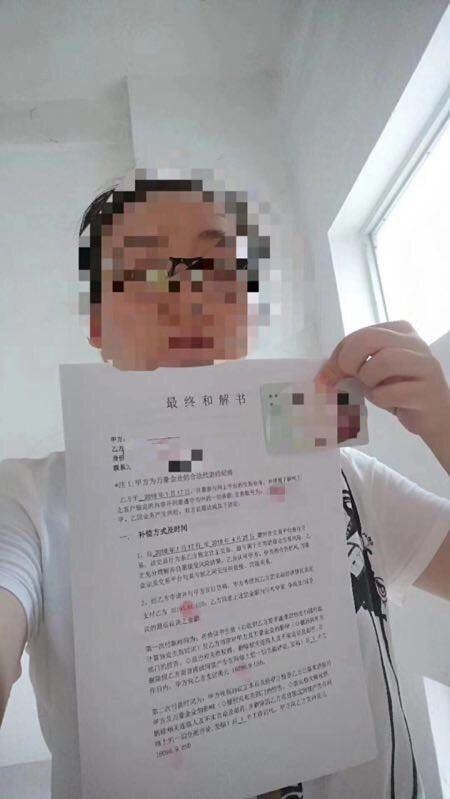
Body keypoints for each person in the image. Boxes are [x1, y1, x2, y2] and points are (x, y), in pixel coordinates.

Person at [1, 170, 450, 799]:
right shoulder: (30, 503)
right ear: (97, 326)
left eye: (217, 268)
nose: (187, 293)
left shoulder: (343, 476)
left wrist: (445, 427)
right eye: (145, 270)